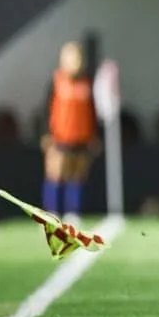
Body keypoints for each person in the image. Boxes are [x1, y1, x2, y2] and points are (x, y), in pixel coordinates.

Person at [40, 41, 98, 228]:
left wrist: (94, 135)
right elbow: (45, 110)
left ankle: (73, 213)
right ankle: (52, 212)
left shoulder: (87, 82)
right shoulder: (56, 81)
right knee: (55, 174)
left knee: (77, 176)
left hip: (81, 137)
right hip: (59, 137)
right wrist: (46, 133)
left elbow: (93, 110)